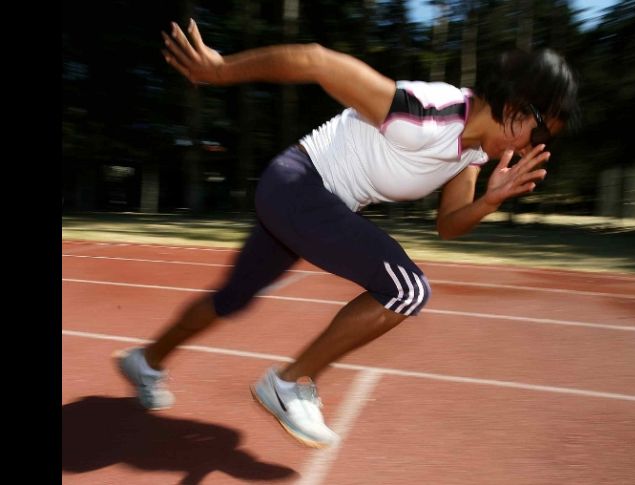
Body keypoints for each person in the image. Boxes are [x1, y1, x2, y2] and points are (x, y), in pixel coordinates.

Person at [115, 18, 578, 449]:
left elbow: (448, 225)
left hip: (309, 201)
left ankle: (146, 361)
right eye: (539, 134)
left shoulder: (472, 153)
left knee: (233, 298)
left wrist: (488, 202)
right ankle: (287, 384)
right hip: (299, 185)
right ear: (517, 108)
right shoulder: (427, 113)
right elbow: (317, 60)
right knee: (406, 288)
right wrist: (218, 70)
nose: (535, 149)